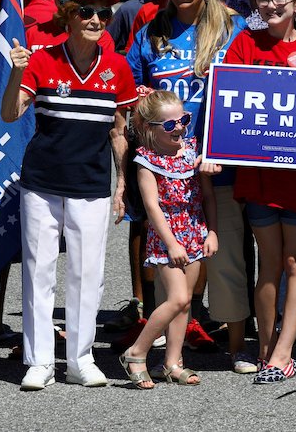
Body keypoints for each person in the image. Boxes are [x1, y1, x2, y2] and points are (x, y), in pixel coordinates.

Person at [2, 0, 136, 391]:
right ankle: (40, 361)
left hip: (94, 184)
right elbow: (10, 114)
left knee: (88, 273)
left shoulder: (118, 67)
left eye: (103, 11)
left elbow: (118, 131)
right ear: (68, 15)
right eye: (86, 10)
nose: (96, 18)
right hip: (41, 182)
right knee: (39, 271)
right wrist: (14, 74)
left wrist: (122, 185)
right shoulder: (41, 60)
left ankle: (80, 359)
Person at [126, 0, 250, 369]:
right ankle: (166, 350)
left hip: (216, 161)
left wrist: (220, 147)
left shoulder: (231, 28)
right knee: (170, 257)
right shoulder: (151, 30)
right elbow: (132, 93)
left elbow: (248, 88)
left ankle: (237, 345)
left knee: (224, 255)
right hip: (166, 163)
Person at [222, 0, 296, 384]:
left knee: (293, 260)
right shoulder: (244, 43)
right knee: (268, 262)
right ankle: (268, 351)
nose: (270, 6)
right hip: (257, 172)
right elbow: (228, 100)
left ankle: (284, 352)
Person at [118, 90, 218, 389]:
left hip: (195, 232)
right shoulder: (146, 160)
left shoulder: (193, 151)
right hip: (167, 237)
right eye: (170, 125)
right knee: (177, 298)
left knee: (184, 305)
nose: (180, 128)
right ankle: (136, 353)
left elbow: (208, 197)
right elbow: (152, 207)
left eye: (184, 120)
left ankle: (173, 363)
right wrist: (172, 243)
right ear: (150, 128)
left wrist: (212, 231)